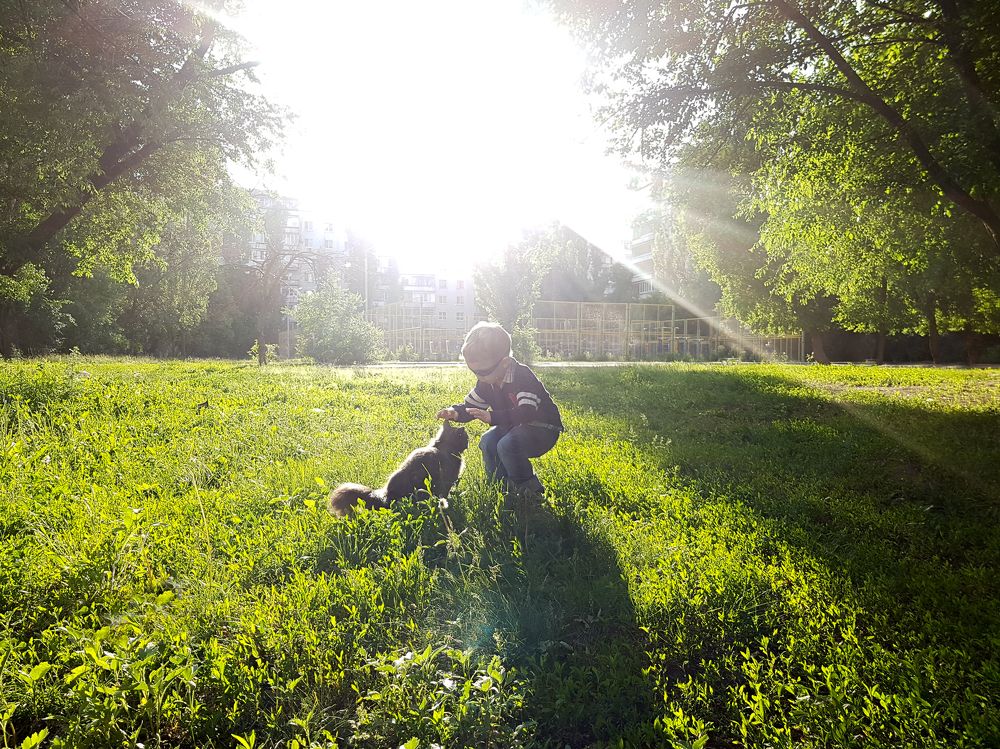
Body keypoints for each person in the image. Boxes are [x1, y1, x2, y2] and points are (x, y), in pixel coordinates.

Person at [436, 322, 563, 503]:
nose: (478, 376)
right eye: (473, 371)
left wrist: (492, 417)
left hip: (542, 429)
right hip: (513, 427)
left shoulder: (522, 376)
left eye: (483, 371)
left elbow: (527, 412)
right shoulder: (486, 382)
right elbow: (471, 407)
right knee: (488, 441)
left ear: (504, 363)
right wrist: (455, 412)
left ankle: (529, 491)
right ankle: (499, 488)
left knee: (507, 445)